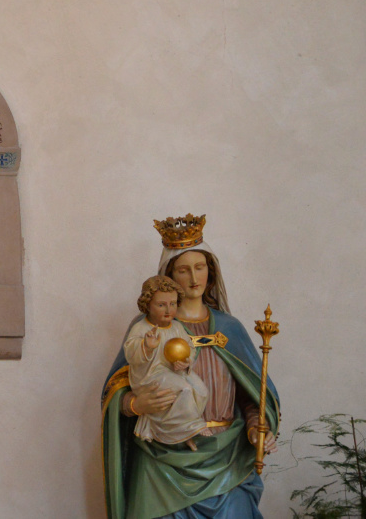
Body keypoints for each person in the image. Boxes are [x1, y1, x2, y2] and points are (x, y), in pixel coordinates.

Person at [102, 214, 281, 519]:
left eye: (200, 268)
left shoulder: (230, 328)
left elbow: (252, 395)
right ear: (170, 277)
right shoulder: (145, 328)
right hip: (161, 462)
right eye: (183, 270)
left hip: (226, 458)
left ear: (211, 273)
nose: (194, 278)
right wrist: (135, 403)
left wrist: (255, 427)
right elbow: (115, 392)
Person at [125, 276, 210, 451]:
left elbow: (190, 348)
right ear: (148, 304)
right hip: (150, 377)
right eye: (161, 305)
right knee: (184, 389)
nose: (168, 310)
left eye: (173, 304)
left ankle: (181, 431)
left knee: (201, 390)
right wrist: (146, 347)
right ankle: (188, 428)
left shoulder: (177, 327)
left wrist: (185, 363)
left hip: (174, 372)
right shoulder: (141, 328)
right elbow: (130, 354)